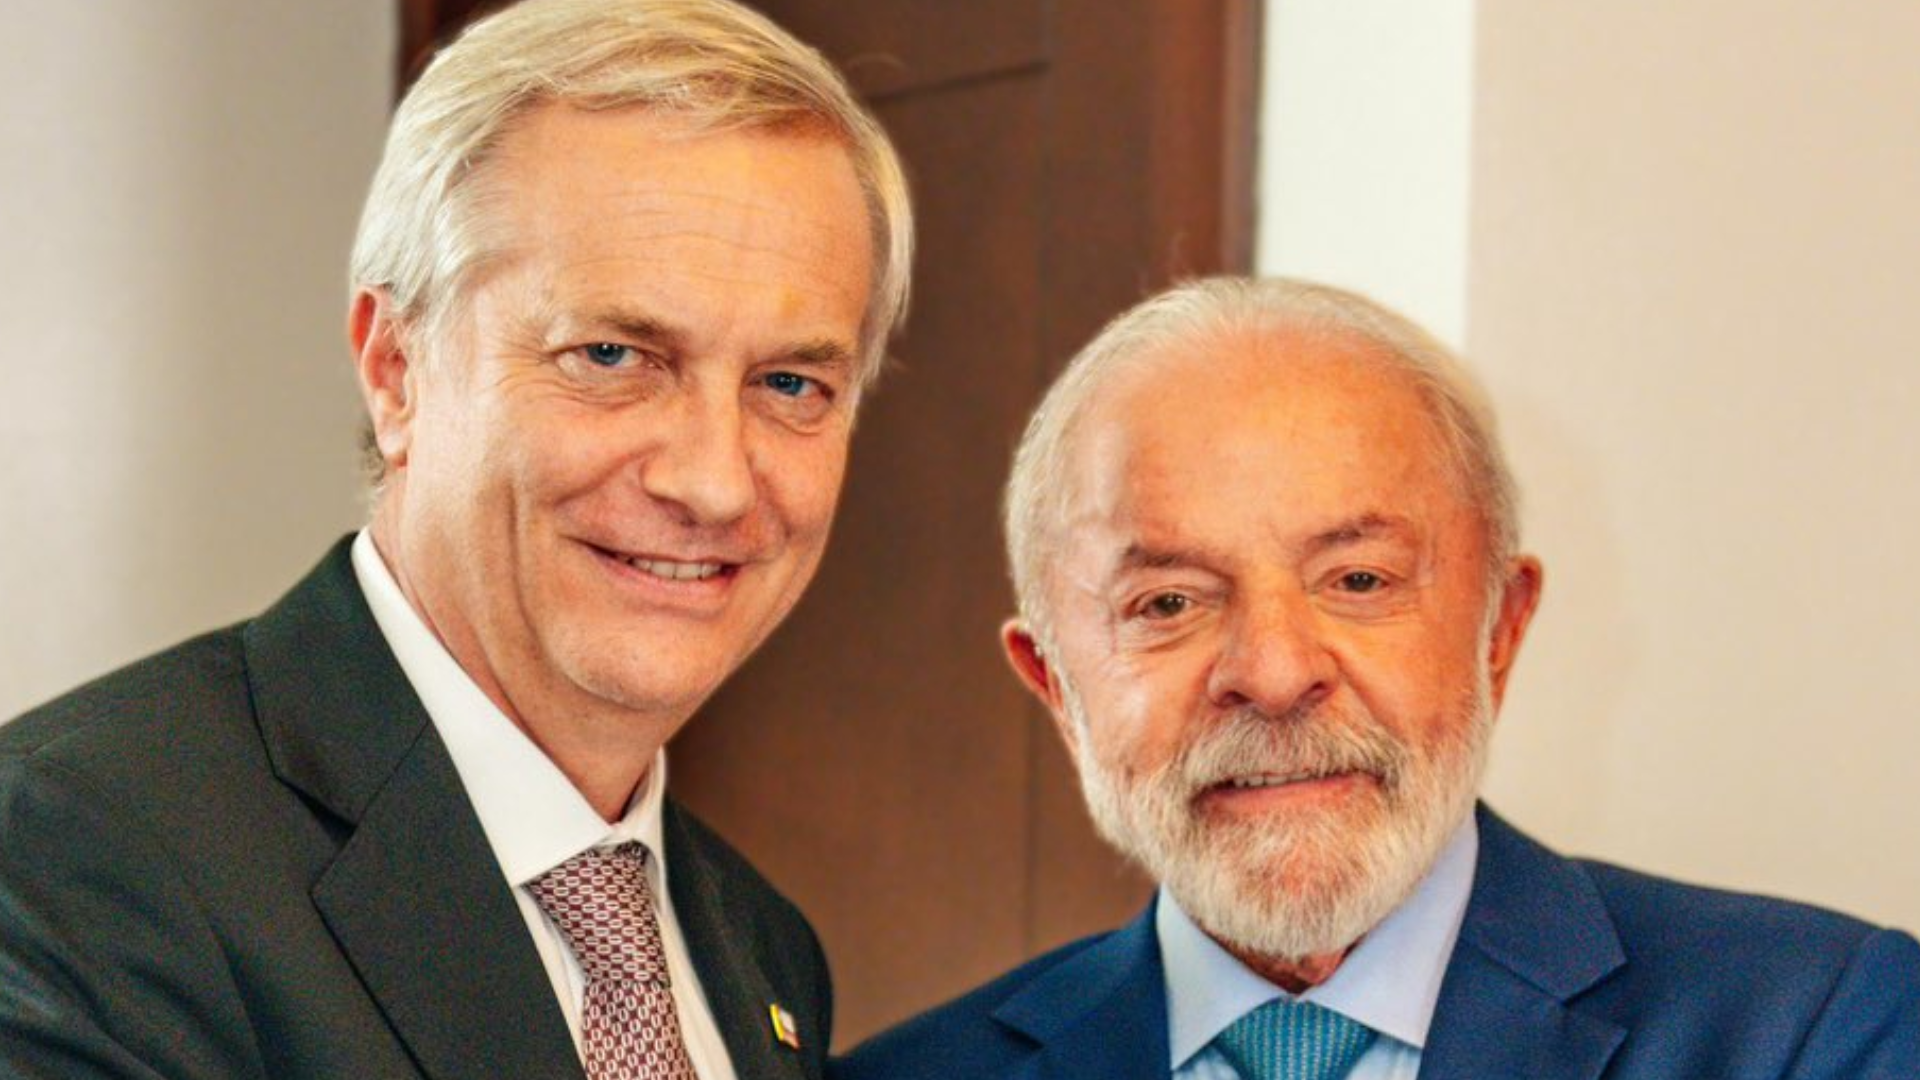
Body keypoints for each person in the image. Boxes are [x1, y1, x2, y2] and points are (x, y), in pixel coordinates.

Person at [0, 0, 910, 1077]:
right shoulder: (73, 853)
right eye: (612, 356)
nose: (713, 482)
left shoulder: (764, 950)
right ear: (396, 371)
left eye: (790, 383)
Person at [837, 278, 1919, 1080]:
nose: (1274, 674)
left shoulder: (1813, 1029)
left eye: (1358, 581)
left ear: (1500, 629)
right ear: (1056, 688)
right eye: (1168, 603)